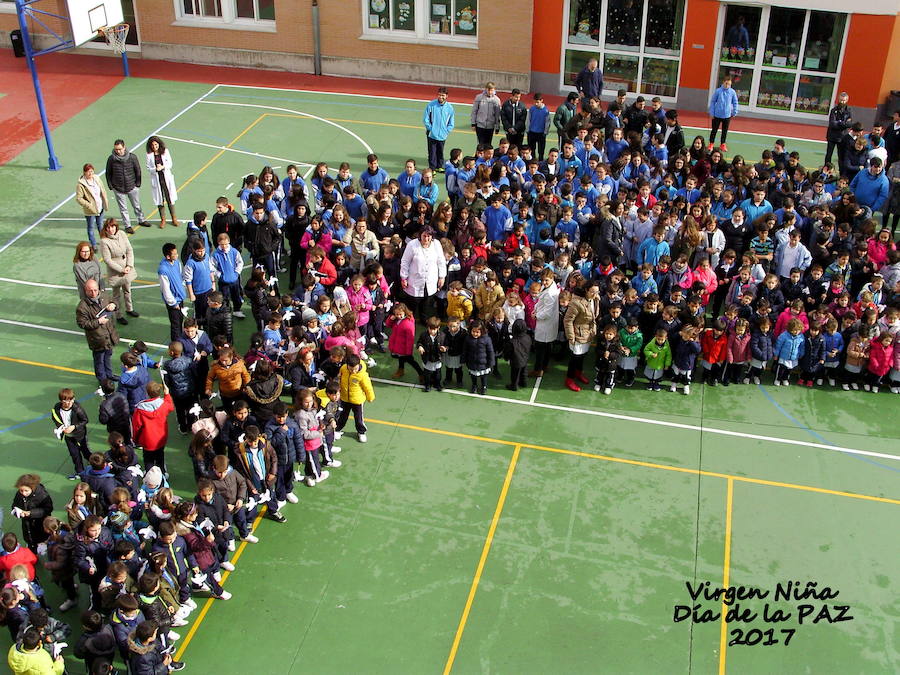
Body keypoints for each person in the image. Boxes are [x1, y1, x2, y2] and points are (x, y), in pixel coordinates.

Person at [76, 279, 119, 384]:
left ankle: (109, 375)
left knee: (108, 356)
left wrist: (114, 305)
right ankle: (103, 381)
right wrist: (98, 322)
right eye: (90, 291)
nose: (94, 293)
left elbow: (115, 301)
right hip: (97, 339)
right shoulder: (82, 307)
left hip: (109, 335)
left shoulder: (105, 296)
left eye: (95, 290)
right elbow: (82, 324)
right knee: (99, 361)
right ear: (85, 291)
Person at [400, 226, 447, 321]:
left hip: (430, 280)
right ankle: (408, 320)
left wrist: (442, 276)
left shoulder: (436, 244)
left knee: (426, 302)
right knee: (412, 303)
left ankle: (423, 318)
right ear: (420, 235)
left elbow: (441, 261)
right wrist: (404, 277)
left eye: (429, 236)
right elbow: (405, 261)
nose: (426, 238)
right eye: (424, 236)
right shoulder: (412, 245)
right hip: (414, 280)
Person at [99, 218, 138, 325]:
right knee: (116, 295)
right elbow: (107, 260)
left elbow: (129, 250)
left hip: (127, 267)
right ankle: (118, 314)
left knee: (127, 290)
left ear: (116, 227)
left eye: (112, 226)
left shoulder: (122, 234)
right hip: (115, 271)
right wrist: (121, 269)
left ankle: (129, 309)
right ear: (105, 229)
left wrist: (129, 265)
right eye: (108, 227)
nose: (111, 229)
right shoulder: (104, 241)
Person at [105, 139, 149, 234]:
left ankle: (141, 220)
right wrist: (111, 186)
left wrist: (137, 184)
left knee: (137, 205)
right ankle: (127, 225)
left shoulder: (132, 157)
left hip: (132, 186)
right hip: (118, 188)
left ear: (124, 147)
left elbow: (138, 170)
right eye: (116, 149)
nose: (118, 151)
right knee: (123, 208)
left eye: (120, 149)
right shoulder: (111, 159)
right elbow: (108, 173)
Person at [131, 381, 174, 473]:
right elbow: (171, 407)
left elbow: (136, 426)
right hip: (161, 438)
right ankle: (162, 473)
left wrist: (135, 439)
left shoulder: (140, 409)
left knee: (148, 460)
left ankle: (150, 476)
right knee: (160, 456)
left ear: (147, 393)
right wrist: (167, 394)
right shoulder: (164, 405)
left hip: (147, 440)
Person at [51, 388, 90, 480]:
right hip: (68, 437)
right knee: (74, 454)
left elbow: (85, 420)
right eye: (65, 401)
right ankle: (80, 471)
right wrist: (61, 427)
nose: (68, 403)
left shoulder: (77, 408)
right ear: (61, 401)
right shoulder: (57, 408)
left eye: (71, 400)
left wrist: (74, 427)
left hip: (79, 436)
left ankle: (96, 465)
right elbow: (55, 418)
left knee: (86, 452)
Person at [145, 136, 179, 228]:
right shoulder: (149, 155)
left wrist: (163, 167)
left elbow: (170, 164)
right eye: (152, 145)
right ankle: (163, 219)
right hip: (157, 179)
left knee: (169, 198)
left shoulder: (165, 152)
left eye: (156, 144)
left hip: (166, 178)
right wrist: (155, 169)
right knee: (160, 200)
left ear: (159, 144)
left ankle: (174, 218)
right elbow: (148, 168)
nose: (154, 146)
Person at [183, 237, 215, 328]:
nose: (202, 253)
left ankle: (207, 327)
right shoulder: (190, 263)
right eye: (199, 251)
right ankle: (199, 328)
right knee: (199, 313)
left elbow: (211, 271)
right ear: (194, 251)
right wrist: (191, 294)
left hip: (208, 289)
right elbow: (188, 280)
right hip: (198, 292)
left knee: (208, 311)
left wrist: (213, 283)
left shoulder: (207, 257)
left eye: (203, 250)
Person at [158, 242, 187, 342]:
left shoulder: (177, 263)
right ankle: (176, 345)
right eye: (174, 254)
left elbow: (180, 277)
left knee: (180, 321)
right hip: (174, 301)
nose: (177, 255)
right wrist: (173, 303)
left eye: (176, 253)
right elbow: (165, 289)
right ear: (168, 256)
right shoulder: (163, 270)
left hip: (180, 298)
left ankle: (179, 341)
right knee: (175, 325)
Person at [75, 163, 108, 251]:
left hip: (100, 206)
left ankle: (104, 242)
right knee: (91, 227)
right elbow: (79, 198)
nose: (90, 173)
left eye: (91, 171)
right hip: (90, 210)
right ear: (84, 173)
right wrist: (89, 205)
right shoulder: (81, 184)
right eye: (88, 172)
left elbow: (102, 189)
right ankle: (93, 244)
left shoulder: (96, 178)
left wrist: (104, 200)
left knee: (100, 225)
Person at [423, 86, 455, 172]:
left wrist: (447, 131)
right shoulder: (431, 105)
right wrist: (431, 129)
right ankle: (432, 168)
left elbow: (451, 122)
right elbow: (426, 119)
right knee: (432, 152)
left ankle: (439, 166)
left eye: (443, 95)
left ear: (446, 96)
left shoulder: (450, 108)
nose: (441, 97)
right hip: (432, 134)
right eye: (439, 95)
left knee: (440, 151)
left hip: (443, 134)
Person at [708, 77, 738, 152]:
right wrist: (712, 112)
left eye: (729, 84)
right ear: (723, 82)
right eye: (726, 83)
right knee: (714, 130)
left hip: (727, 115)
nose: (727, 85)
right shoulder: (718, 91)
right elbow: (713, 102)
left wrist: (734, 111)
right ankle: (711, 144)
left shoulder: (732, 92)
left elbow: (735, 102)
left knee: (725, 131)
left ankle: (722, 144)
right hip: (717, 115)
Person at [825, 92, 852, 166]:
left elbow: (849, 124)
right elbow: (832, 124)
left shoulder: (848, 111)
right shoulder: (833, 110)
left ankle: (841, 172)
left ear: (846, 100)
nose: (842, 102)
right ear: (838, 99)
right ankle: (826, 169)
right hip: (832, 136)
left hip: (842, 137)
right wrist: (843, 123)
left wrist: (839, 122)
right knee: (828, 155)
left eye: (844, 100)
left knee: (841, 156)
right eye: (841, 100)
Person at [470, 82, 501, 147]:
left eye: (491, 90)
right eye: (488, 89)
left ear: (494, 90)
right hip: (480, 125)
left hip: (490, 126)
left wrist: (497, 127)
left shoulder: (496, 100)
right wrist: (473, 123)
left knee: (488, 145)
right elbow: (474, 111)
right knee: (480, 144)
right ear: (486, 89)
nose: (490, 92)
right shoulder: (479, 97)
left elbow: (497, 115)